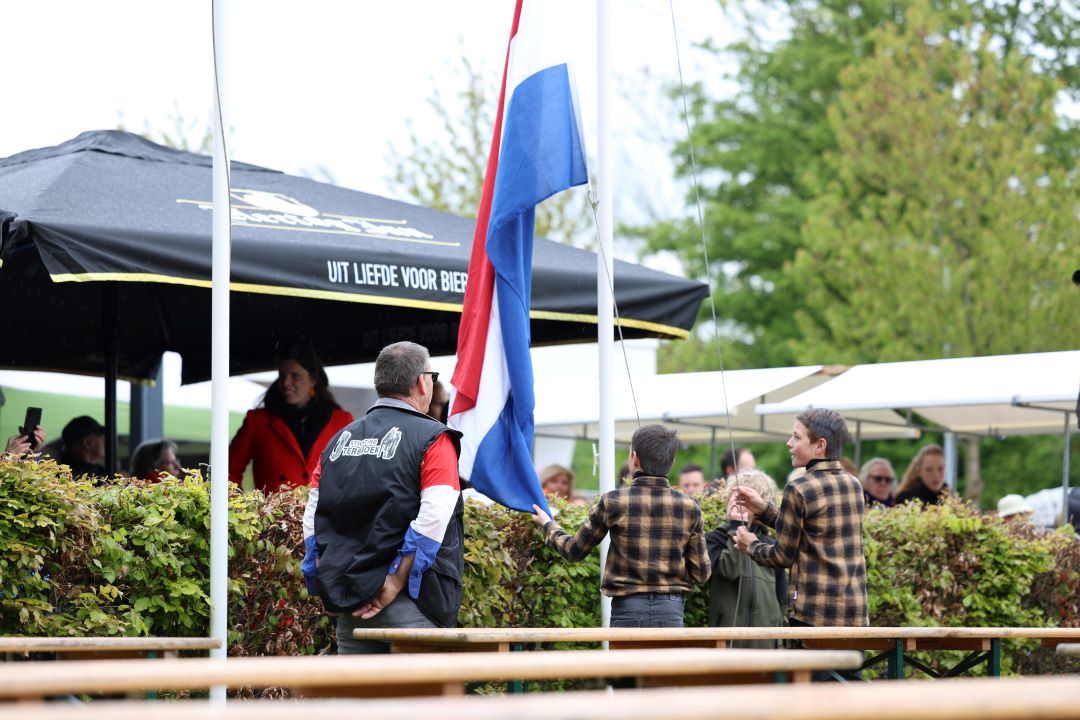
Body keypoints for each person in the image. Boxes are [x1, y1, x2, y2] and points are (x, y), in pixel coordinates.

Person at [303, 341, 464, 654]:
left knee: (354, 703)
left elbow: (312, 519)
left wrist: (327, 582)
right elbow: (432, 520)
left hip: (350, 606)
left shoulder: (337, 441)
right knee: (416, 704)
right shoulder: (434, 439)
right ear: (422, 381)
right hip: (414, 606)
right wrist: (393, 583)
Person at [531, 424, 710, 628]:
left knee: (626, 661)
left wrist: (548, 524)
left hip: (628, 607)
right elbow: (702, 574)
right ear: (672, 461)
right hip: (671, 609)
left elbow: (574, 550)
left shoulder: (613, 501)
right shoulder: (689, 507)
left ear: (634, 458)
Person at [732, 408, 868, 628]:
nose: (789, 443)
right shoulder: (854, 483)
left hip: (813, 617)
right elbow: (811, 532)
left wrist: (751, 545)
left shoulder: (799, 488)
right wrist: (764, 509)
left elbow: (781, 556)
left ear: (820, 445)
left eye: (796, 437)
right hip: (854, 617)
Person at [229, 344, 353, 494]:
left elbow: (354, 474)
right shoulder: (257, 421)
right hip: (273, 516)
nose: (286, 383)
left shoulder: (341, 421)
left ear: (313, 380)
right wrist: (239, 511)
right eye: (282, 376)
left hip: (323, 516)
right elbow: (228, 471)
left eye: (295, 376)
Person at [705, 470, 787, 647]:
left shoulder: (770, 544)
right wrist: (736, 528)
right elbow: (727, 571)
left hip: (765, 643)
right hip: (728, 642)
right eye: (734, 497)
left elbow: (781, 597)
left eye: (745, 499)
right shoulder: (715, 538)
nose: (738, 503)